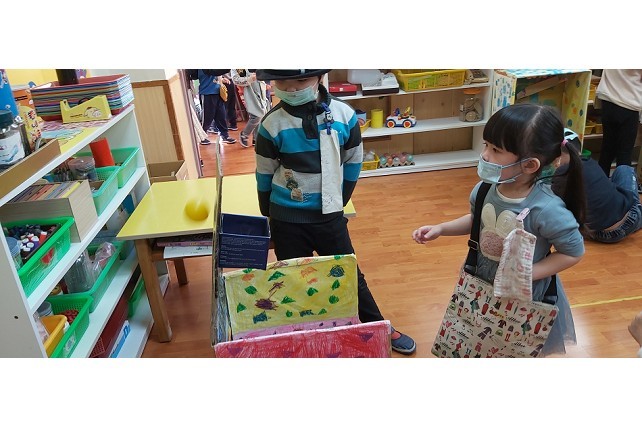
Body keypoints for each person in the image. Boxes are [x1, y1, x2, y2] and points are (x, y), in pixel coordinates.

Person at [254, 69, 416, 355]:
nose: (291, 89)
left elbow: (353, 161)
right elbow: (264, 173)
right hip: (286, 219)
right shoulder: (271, 124)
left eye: (300, 81)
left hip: (329, 217)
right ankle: (306, 336)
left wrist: (338, 200)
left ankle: (378, 325)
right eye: (283, 82)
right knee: (294, 281)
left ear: (318, 78)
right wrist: (268, 213)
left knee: (350, 276)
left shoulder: (344, 115)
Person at [412, 103, 586, 356]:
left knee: (513, 349)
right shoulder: (485, 189)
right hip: (480, 282)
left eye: (495, 150)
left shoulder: (547, 209)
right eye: (486, 145)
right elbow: (478, 220)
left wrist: (526, 274)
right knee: (477, 339)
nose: (484, 155)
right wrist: (441, 228)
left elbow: (573, 252)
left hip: (523, 298)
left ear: (530, 165)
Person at [551, 129, 642, 243]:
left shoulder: (560, 174)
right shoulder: (590, 163)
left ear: (557, 156)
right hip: (625, 223)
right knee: (624, 169)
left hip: (595, 234)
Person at [595, 69, 642, 178]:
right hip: (630, 103)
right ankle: (623, 187)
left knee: (607, 150)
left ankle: (602, 185)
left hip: (608, 99)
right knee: (624, 154)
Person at [231, 69, 270, 148]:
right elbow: (236, 80)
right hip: (249, 92)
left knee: (262, 115)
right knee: (256, 115)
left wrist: (263, 84)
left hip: (260, 92)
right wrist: (250, 79)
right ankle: (244, 134)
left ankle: (256, 138)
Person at [197, 69, 236, 144]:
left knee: (221, 115)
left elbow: (215, 75)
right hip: (207, 93)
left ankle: (225, 135)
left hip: (218, 92)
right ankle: (201, 136)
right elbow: (214, 72)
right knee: (207, 117)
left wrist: (221, 79)